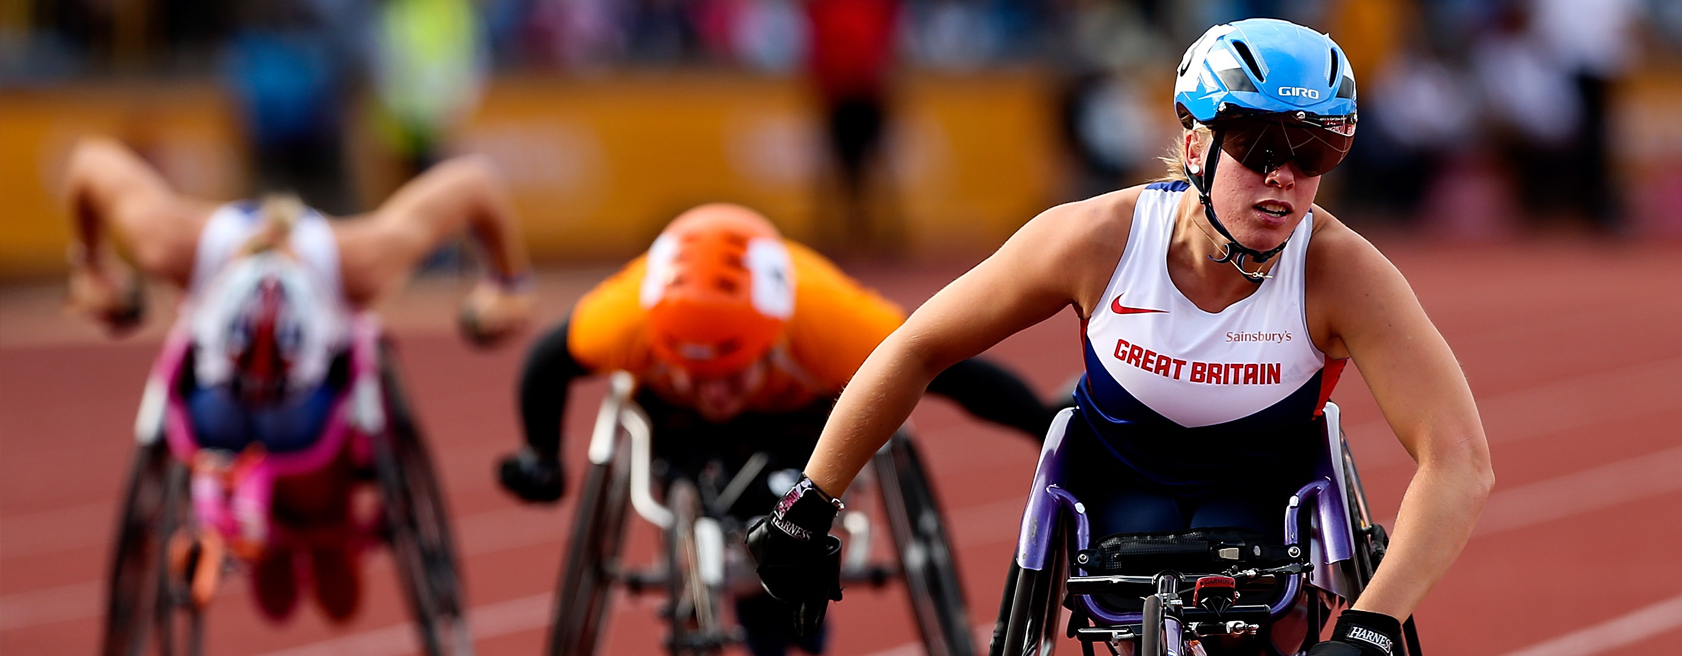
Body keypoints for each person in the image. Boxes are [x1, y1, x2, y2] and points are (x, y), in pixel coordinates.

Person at [746, 18, 1494, 656]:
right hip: (1116, 488)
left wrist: (1372, 625)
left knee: (1265, 611)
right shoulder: (1097, 240)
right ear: (1196, 146)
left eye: (1315, 153)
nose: (1285, 178)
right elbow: (918, 346)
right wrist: (812, 502)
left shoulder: (1342, 274)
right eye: (1260, 146)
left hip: (1266, 499)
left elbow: (1458, 458)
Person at [497, 202, 1053, 656]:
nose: (715, 390)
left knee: (782, 494)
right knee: (702, 474)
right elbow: (548, 361)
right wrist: (541, 454)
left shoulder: (827, 317)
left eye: (731, 373)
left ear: (773, 340)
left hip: (798, 417)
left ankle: (776, 570)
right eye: (699, 373)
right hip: (679, 424)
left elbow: (949, 367)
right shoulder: (626, 318)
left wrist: (1042, 425)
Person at [64, 136, 533, 622]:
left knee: (331, 600)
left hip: (296, 426)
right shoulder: (174, 243)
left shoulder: (358, 261)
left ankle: (315, 529)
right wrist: (507, 282)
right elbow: (475, 182)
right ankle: (291, 528)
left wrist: (93, 266)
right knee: (286, 600)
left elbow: (476, 182)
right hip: (235, 420)